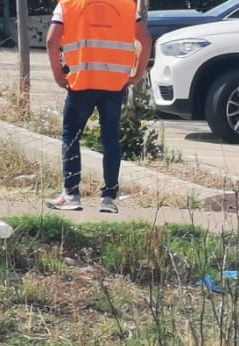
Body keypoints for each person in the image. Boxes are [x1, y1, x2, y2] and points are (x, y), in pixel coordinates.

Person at [45, 0, 151, 213]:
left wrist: (58, 75)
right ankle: (109, 198)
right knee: (111, 138)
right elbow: (146, 39)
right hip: (114, 84)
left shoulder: (68, 4)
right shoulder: (127, 5)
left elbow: (51, 40)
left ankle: (71, 194)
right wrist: (138, 73)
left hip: (82, 82)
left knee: (71, 135)